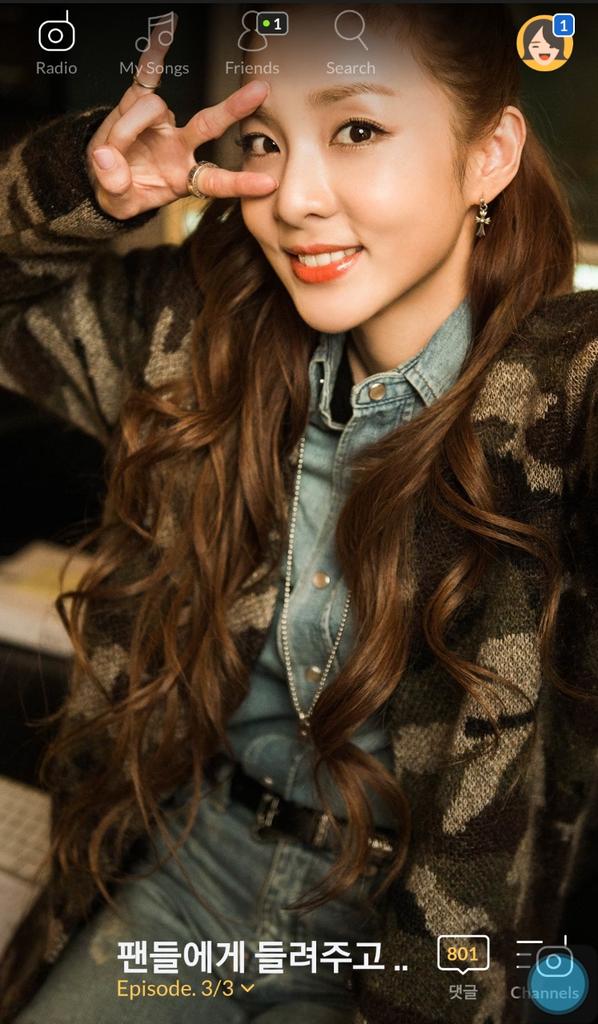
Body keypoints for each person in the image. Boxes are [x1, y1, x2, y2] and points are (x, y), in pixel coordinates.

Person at [0, 4, 597, 1023]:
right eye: (265, 142)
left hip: (409, 944)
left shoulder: (561, 390)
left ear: (488, 155)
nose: (294, 199)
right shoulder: (201, 336)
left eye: (356, 129)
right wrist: (84, 189)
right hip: (194, 875)